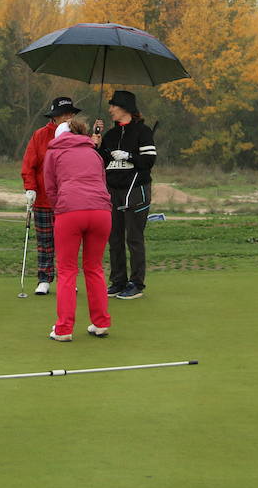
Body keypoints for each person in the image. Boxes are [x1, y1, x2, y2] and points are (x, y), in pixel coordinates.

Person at [42, 115, 113, 342]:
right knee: (94, 268)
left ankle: (63, 329)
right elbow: (102, 181)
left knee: (66, 270)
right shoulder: (92, 151)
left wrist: (60, 208)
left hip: (70, 212)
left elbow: (50, 188)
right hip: (101, 212)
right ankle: (101, 323)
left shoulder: (53, 152)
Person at [95, 89, 156, 300]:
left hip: (136, 190)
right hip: (113, 191)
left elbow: (148, 160)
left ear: (125, 108)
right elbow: (100, 163)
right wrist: (96, 145)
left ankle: (136, 283)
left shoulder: (143, 131)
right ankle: (118, 281)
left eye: (113, 105)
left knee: (134, 238)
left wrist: (129, 155)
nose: (110, 109)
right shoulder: (110, 135)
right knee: (115, 238)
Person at [20, 96, 81, 295]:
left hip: (69, 200)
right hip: (45, 199)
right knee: (45, 242)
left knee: (68, 243)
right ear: (54, 117)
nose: (67, 118)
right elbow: (29, 165)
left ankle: (68, 279)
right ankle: (44, 279)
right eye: (63, 115)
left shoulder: (78, 136)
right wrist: (30, 189)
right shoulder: (40, 136)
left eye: (70, 114)